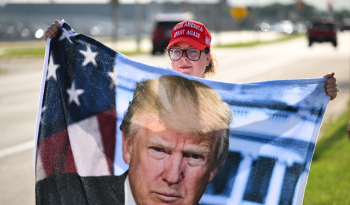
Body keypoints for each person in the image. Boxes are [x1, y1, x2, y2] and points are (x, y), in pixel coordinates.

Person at [36, 75, 263, 205]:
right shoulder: (64, 203)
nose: (173, 176)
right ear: (128, 146)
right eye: (159, 150)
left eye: (194, 156)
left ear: (214, 167)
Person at [45, 19, 339, 100]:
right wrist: (60, 43)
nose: (184, 59)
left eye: (193, 52)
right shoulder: (149, 92)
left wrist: (317, 93)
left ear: (207, 58)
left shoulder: (223, 100)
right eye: (177, 51)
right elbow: (95, 89)